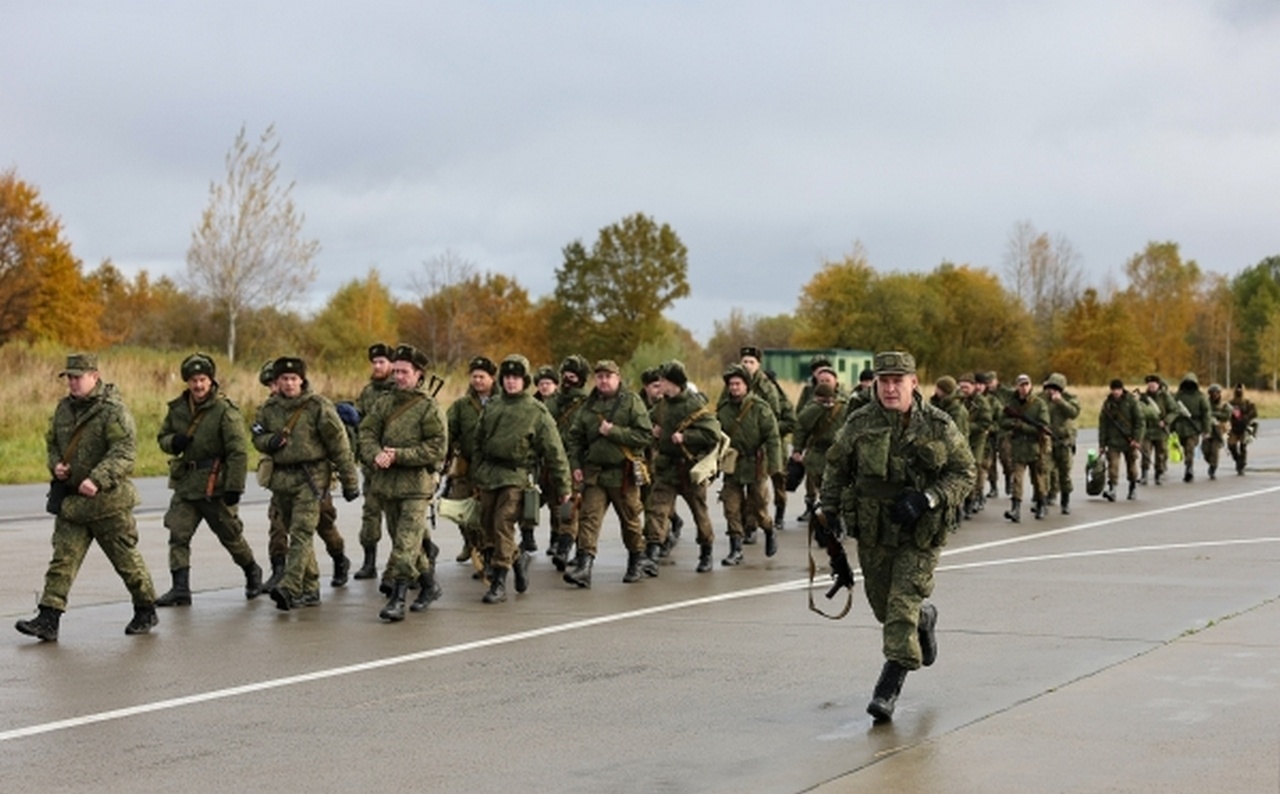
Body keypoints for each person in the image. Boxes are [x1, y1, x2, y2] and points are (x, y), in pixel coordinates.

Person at [819, 351, 975, 722]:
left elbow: (964, 472)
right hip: (874, 530)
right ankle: (925, 619)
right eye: (883, 381)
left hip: (920, 533)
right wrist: (828, 519)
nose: (889, 388)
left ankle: (887, 689)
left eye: (897, 381)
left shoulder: (938, 424)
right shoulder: (859, 423)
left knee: (900, 605)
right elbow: (836, 469)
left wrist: (928, 498)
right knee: (883, 608)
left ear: (913, 383)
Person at [16, 353, 158, 641]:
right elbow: (53, 443)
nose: (72, 382)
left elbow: (125, 452)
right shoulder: (63, 409)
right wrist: (55, 465)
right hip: (73, 505)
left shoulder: (113, 411)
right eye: (68, 377)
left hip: (107, 504)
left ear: (95, 376)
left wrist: (98, 478)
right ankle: (48, 617)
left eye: (77, 377)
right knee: (62, 561)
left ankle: (146, 609)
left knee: (126, 561)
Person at [251, 357, 360, 611]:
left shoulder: (318, 407)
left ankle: (289, 586)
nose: (288, 384)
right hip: (281, 479)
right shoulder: (269, 409)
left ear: (302, 379)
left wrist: (349, 480)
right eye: (283, 379)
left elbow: (339, 445)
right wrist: (270, 442)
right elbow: (257, 436)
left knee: (302, 532)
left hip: (312, 479)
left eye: (293, 378)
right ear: (276, 382)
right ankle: (310, 589)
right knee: (292, 530)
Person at [154, 352, 261, 607]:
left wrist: (234, 487)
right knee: (178, 534)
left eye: (202, 379)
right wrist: (173, 442)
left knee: (230, 535)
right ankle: (180, 588)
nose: (198, 385)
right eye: (193, 380)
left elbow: (238, 451)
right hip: (186, 484)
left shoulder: (225, 410)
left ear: (211, 380)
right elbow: (163, 438)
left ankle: (252, 572)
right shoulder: (178, 409)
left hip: (216, 484)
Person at [357, 344, 448, 621]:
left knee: (406, 542)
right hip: (388, 485)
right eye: (395, 371)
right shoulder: (384, 403)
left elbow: (437, 448)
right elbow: (367, 432)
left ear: (418, 374)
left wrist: (400, 455)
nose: (398, 376)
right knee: (405, 540)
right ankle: (430, 586)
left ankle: (398, 598)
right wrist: (376, 455)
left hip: (416, 486)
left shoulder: (428, 407)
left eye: (404, 372)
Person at [472, 354, 572, 603]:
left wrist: (563, 485)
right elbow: (478, 442)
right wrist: (477, 473)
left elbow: (554, 450)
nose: (511, 382)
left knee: (503, 524)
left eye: (516, 378)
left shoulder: (536, 411)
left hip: (517, 475)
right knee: (486, 527)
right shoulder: (493, 405)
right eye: (507, 377)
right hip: (490, 475)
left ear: (525, 381)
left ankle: (498, 582)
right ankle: (517, 560)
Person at [564, 360, 654, 586]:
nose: (604, 381)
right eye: (600, 376)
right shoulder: (588, 406)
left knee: (631, 521)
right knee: (588, 519)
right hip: (595, 473)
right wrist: (575, 465)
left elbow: (645, 436)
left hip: (623, 474)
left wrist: (614, 432)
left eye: (608, 376)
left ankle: (636, 560)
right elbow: (575, 439)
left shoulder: (631, 402)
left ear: (618, 378)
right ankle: (584, 567)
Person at [642, 360, 721, 573]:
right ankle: (652, 554)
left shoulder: (694, 405)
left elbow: (712, 433)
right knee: (657, 510)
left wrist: (686, 437)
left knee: (699, 513)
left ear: (674, 383)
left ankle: (706, 552)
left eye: (664, 381)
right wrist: (653, 430)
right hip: (666, 468)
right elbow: (646, 421)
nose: (660, 385)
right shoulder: (662, 405)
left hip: (689, 470)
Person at [717, 363, 781, 565]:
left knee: (759, 509)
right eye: (731, 384)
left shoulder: (760, 408)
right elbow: (715, 436)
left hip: (756, 464)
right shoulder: (724, 409)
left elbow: (773, 437)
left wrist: (774, 466)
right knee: (731, 507)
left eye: (738, 384)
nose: (734, 388)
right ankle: (736, 549)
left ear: (746, 385)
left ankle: (769, 530)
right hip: (733, 464)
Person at [445, 356, 496, 573]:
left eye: (482, 377)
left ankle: (488, 555)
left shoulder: (503, 402)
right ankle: (470, 542)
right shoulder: (461, 405)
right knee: (460, 509)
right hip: (466, 467)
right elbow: (448, 431)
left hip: (492, 468)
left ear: (492, 378)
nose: (477, 381)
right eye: (474, 376)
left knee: (487, 515)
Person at [540, 354, 590, 570]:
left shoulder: (587, 405)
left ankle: (564, 547)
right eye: (565, 376)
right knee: (557, 507)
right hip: (552, 464)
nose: (568, 381)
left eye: (573, 376)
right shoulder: (551, 402)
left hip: (577, 463)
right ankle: (573, 548)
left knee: (571, 507)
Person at [352, 343, 396, 580]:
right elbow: (362, 423)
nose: (377, 366)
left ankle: (422, 554)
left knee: (399, 517)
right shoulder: (368, 391)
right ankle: (369, 562)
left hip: (394, 464)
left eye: (382, 362)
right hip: (371, 466)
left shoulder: (398, 390)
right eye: (375, 362)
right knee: (370, 514)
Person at [999, 374, 1050, 522]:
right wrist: (1014, 424)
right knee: (1017, 479)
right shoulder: (1012, 403)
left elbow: (1042, 426)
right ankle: (1015, 509)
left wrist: (1023, 426)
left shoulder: (1039, 404)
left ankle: (1041, 504)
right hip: (1018, 446)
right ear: (1017, 386)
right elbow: (1002, 421)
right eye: (1021, 385)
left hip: (1035, 447)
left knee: (1038, 478)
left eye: (1026, 384)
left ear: (1031, 385)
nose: (1024, 387)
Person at [1098, 379, 1145, 501]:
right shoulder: (1107, 404)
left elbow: (1139, 422)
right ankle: (1112, 489)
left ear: (1122, 389)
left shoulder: (1131, 402)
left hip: (1129, 440)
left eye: (1118, 390)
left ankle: (1133, 487)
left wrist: (1136, 439)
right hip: (1113, 441)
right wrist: (1102, 444)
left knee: (1131, 465)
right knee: (1112, 466)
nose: (1116, 392)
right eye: (1114, 390)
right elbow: (1103, 426)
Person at [1041, 373, 1081, 515]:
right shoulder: (1042, 398)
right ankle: (1043, 501)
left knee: (1064, 473)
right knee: (1045, 470)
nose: (1051, 390)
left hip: (1064, 441)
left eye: (1055, 388)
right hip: (1047, 441)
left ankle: (1065, 502)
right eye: (1050, 387)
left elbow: (1074, 412)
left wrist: (1061, 402)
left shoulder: (1070, 399)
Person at [957, 373, 993, 517]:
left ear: (973, 387)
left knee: (973, 468)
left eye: (966, 387)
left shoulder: (981, 402)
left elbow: (985, 423)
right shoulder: (958, 400)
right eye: (961, 387)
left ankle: (970, 500)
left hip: (976, 441)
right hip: (960, 441)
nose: (963, 390)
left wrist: (966, 427)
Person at [1171, 372, 1211, 482]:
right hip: (1181, 427)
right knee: (1185, 447)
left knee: (1190, 448)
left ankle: (1189, 468)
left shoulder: (1200, 397)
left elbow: (1206, 414)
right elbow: (1173, 411)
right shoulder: (1178, 396)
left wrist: (1206, 429)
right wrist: (1171, 428)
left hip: (1194, 426)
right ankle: (1189, 465)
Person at [1138, 375, 1177, 485]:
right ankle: (1144, 475)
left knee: (1161, 454)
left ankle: (1158, 474)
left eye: (1154, 384)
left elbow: (1174, 411)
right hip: (1147, 431)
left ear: (1158, 385)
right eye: (1149, 384)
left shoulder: (1165, 397)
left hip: (1161, 431)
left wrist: (1165, 421)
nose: (1151, 386)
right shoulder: (1143, 397)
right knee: (1145, 452)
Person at [1227, 384, 1259, 475]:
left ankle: (1241, 465)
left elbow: (1255, 413)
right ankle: (1238, 460)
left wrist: (1246, 417)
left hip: (1245, 428)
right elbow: (1226, 413)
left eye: (1240, 389)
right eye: (1237, 389)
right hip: (1234, 428)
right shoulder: (1231, 403)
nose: (1238, 391)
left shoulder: (1247, 402)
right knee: (1231, 446)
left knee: (1243, 446)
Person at [1204, 384, 1229, 479]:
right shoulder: (1205, 403)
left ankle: (1213, 468)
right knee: (1205, 450)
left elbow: (1227, 415)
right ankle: (1211, 463)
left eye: (1216, 393)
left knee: (1215, 450)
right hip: (1208, 430)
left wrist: (1213, 415)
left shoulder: (1224, 405)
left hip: (1219, 430)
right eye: (1212, 393)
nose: (1214, 395)